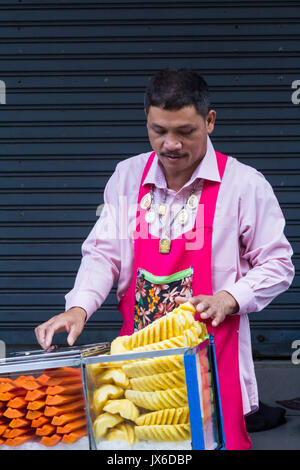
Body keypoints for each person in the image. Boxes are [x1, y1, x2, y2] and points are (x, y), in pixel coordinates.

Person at [35, 68, 295, 449]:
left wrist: (228, 298)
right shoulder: (127, 177)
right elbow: (102, 253)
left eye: (185, 132)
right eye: (159, 130)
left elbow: (278, 263)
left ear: (209, 122)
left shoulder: (244, 185)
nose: (170, 144)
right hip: (137, 372)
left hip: (213, 368)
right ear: (146, 120)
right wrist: (78, 307)